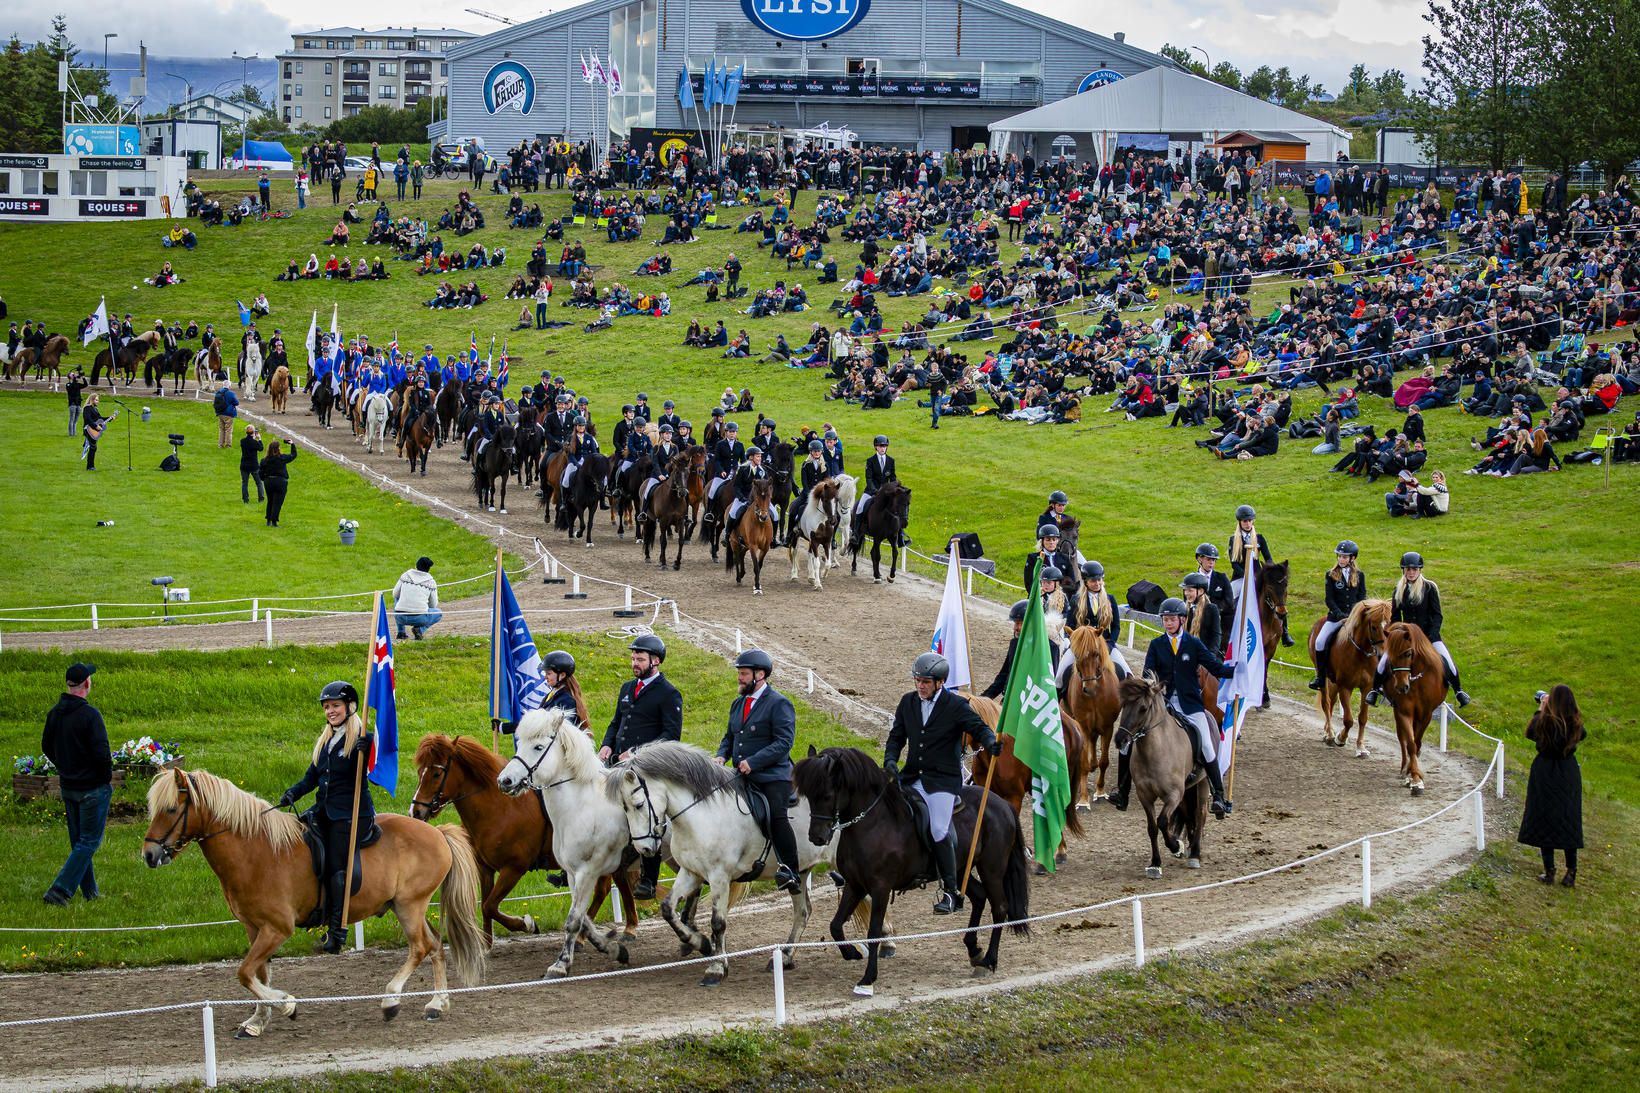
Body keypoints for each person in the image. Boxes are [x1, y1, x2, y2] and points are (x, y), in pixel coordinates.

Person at [884, 652, 1000, 914]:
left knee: (938, 829)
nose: (920, 685)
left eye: (925, 681)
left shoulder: (955, 706)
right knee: (883, 812)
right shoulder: (907, 703)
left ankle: (951, 891)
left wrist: (990, 741)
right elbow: (896, 737)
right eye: (917, 680)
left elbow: (978, 728)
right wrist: (890, 760)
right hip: (912, 776)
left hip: (942, 781)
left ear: (940, 682)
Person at [277, 681, 375, 953]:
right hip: (323, 810)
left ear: (350, 707)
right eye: (327, 707)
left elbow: (370, 773)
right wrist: (292, 794)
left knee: (336, 867)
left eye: (335, 706)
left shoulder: (360, 740)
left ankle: (337, 931)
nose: (330, 711)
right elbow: (312, 778)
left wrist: (366, 753)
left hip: (350, 814)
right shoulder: (325, 741)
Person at [1117, 598, 1236, 817]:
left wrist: (1236, 671)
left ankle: (1219, 796)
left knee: (1208, 746)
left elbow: (1215, 667)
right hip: (1162, 704)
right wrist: (1150, 690)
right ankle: (1122, 792)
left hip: (1190, 704)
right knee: (1127, 742)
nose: (1168, 623)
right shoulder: (1156, 645)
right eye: (1165, 619)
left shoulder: (1193, 643)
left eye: (1171, 619)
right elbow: (1148, 673)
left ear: (1182, 620)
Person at [600, 634, 683, 899]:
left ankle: (648, 878)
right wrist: (606, 745)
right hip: (618, 764)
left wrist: (635, 753)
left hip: (648, 767)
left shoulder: (669, 693)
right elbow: (616, 723)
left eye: (640, 658)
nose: (634, 662)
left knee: (647, 814)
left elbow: (671, 735)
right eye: (633, 657)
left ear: (655, 661)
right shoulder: (627, 688)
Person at [715, 649, 801, 893]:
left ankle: (790, 870)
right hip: (740, 774)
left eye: (743, 674)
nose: (739, 678)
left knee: (776, 815)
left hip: (772, 776)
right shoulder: (738, 703)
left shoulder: (779, 703)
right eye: (739, 673)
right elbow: (730, 736)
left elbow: (784, 742)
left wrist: (754, 761)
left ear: (760, 674)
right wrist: (722, 755)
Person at [41, 663, 111, 906]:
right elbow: (102, 754)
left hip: (68, 786)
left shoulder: (55, 714)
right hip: (92, 788)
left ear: (69, 685)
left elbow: (46, 747)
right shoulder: (90, 716)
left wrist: (65, 767)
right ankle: (60, 890)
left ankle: (90, 892)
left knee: (79, 841)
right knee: (89, 841)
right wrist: (104, 778)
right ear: (87, 684)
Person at [1367, 551, 1471, 708]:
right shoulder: (1398, 590)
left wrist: (1432, 635)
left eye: (1414, 569)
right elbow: (1395, 618)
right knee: (1383, 662)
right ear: (1403, 570)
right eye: (1407, 569)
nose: (1410, 572)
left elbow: (1437, 615)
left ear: (1419, 570)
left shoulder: (1429, 588)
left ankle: (1459, 691)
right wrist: (1396, 635)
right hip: (1406, 638)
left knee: (1446, 660)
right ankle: (1375, 691)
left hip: (1429, 636)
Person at [1518, 685, 1584, 888]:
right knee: (1568, 819)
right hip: (1568, 771)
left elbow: (1530, 733)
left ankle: (1550, 870)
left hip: (1545, 770)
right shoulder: (1575, 722)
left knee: (1543, 818)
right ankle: (1571, 871)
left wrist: (1541, 709)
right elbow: (1583, 735)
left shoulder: (1545, 721)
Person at [1228, 503, 1291, 645]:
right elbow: (1234, 563)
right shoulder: (1233, 540)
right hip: (1240, 577)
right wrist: (1246, 576)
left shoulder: (1260, 538)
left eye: (1250, 520)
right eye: (1245, 521)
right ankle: (1230, 629)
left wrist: (1270, 571)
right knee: (1231, 599)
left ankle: (1285, 632)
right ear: (1240, 522)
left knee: (1277, 597)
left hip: (1258, 577)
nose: (1248, 523)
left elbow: (1268, 557)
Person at [1309, 541, 1366, 690]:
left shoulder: (1360, 575)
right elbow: (1329, 599)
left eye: (1345, 557)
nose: (1341, 559)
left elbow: (1362, 598)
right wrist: (1339, 614)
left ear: (1352, 558)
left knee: (1374, 639)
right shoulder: (1331, 575)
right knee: (1320, 642)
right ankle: (1320, 677)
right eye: (1340, 556)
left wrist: (1354, 614)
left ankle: (1376, 682)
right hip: (1335, 617)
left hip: (1354, 618)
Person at [1073, 561, 1132, 679]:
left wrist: (1110, 644)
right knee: (1060, 674)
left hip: (1105, 643)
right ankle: (1058, 694)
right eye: (1093, 581)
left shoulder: (1110, 599)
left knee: (1127, 672)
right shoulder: (1076, 600)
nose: (1097, 583)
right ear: (1086, 582)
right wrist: (1076, 645)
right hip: (1082, 646)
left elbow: (1116, 626)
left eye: (1099, 580)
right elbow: (1070, 625)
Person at [391, 556, 442, 640]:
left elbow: (395, 594)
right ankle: (420, 630)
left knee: (397, 599)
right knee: (438, 613)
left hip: (400, 617)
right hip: (420, 618)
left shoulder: (405, 575)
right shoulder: (431, 582)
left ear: (416, 565)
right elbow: (433, 605)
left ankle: (401, 632)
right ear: (429, 568)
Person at [1193, 542, 1235, 634]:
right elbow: (1187, 602)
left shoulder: (1222, 578)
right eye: (1208, 559)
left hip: (1220, 620)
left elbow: (1229, 601)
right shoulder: (1191, 580)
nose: (1211, 562)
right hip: (1198, 620)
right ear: (1200, 559)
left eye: (1214, 560)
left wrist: (1215, 610)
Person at [1180, 572, 1222, 657]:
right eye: (1185, 590)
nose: (1186, 593)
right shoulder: (1183, 609)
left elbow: (1216, 635)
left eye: (1190, 590)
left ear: (1201, 591)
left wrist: (1210, 656)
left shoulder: (1211, 609)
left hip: (1205, 655)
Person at [260, 438, 297, 527]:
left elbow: (260, 472)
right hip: (280, 482)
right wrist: (292, 444)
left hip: (269, 481)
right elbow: (293, 455)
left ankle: (268, 520)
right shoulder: (282, 458)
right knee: (277, 502)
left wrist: (264, 479)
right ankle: (274, 521)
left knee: (270, 501)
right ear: (278, 449)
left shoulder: (265, 460)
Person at [81, 393, 108, 470]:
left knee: (93, 448)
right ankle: (90, 466)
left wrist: (110, 418)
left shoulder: (95, 409)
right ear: (92, 400)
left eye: (98, 400)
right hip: (88, 430)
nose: (97, 401)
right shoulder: (87, 408)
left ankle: (91, 466)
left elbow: (100, 419)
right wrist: (95, 426)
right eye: (96, 400)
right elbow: (87, 419)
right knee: (93, 447)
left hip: (94, 431)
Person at [239, 423, 265, 503]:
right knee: (259, 483)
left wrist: (253, 438)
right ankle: (261, 498)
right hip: (254, 465)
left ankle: (245, 499)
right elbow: (261, 448)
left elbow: (248, 442)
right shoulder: (254, 443)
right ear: (253, 432)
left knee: (245, 483)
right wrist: (259, 439)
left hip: (244, 465)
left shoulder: (242, 441)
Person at [214, 381, 239, 448]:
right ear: (229, 386)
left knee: (221, 429)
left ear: (223, 385)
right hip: (228, 414)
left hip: (220, 413)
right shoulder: (231, 393)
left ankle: (220, 444)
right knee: (228, 430)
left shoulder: (218, 392)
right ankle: (228, 445)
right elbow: (237, 402)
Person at [66, 369, 87, 437]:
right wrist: (75, 379)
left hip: (78, 403)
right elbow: (72, 387)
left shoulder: (77, 384)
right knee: (72, 419)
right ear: (69, 377)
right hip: (72, 403)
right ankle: (70, 434)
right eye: (72, 374)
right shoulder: (68, 384)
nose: (74, 375)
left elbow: (85, 385)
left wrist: (83, 377)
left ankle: (74, 434)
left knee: (75, 420)